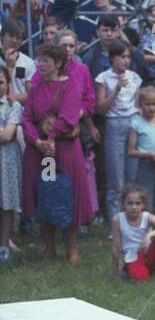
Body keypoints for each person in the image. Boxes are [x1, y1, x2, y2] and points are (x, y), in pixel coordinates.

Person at [21, 43, 93, 264]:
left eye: (45, 60)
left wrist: (50, 138)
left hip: (64, 151)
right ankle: (49, 247)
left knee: (67, 193)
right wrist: (38, 142)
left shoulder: (70, 86)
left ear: (58, 63)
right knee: (46, 193)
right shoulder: (35, 88)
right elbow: (26, 118)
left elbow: (68, 117)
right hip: (42, 152)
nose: (40, 64)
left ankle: (71, 247)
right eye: (39, 59)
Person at [94, 38, 143, 224]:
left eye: (128, 56)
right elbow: (101, 109)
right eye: (122, 57)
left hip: (132, 123)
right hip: (114, 123)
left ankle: (133, 220)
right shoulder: (102, 78)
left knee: (132, 174)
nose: (126, 60)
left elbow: (138, 104)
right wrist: (115, 89)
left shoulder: (135, 77)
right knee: (115, 177)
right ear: (112, 58)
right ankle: (115, 221)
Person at [111, 183, 155, 281]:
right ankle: (135, 272)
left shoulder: (147, 216)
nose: (134, 207)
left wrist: (151, 234)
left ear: (143, 205)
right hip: (133, 257)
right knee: (139, 276)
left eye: (138, 203)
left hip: (150, 254)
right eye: (130, 203)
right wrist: (115, 272)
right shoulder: (118, 219)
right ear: (123, 204)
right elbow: (116, 247)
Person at [127, 85, 155, 223]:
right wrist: (150, 155)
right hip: (146, 166)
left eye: (154, 104)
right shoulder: (136, 124)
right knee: (146, 197)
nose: (151, 108)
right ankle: (144, 225)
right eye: (147, 104)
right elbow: (131, 151)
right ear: (140, 104)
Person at [0, 67, 22, 257]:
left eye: (1, 82)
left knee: (6, 204)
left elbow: (7, 135)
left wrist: (5, 132)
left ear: (7, 84)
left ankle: (4, 246)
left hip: (5, 159)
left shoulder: (13, 106)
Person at [2, 19, 32, 104]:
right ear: (3, 36)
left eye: (18, 38)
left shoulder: (28, 62)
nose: (14, 40)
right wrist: (9, 68)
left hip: (20, 111)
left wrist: (10, 98)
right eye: (11, 36)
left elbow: (31, 94)